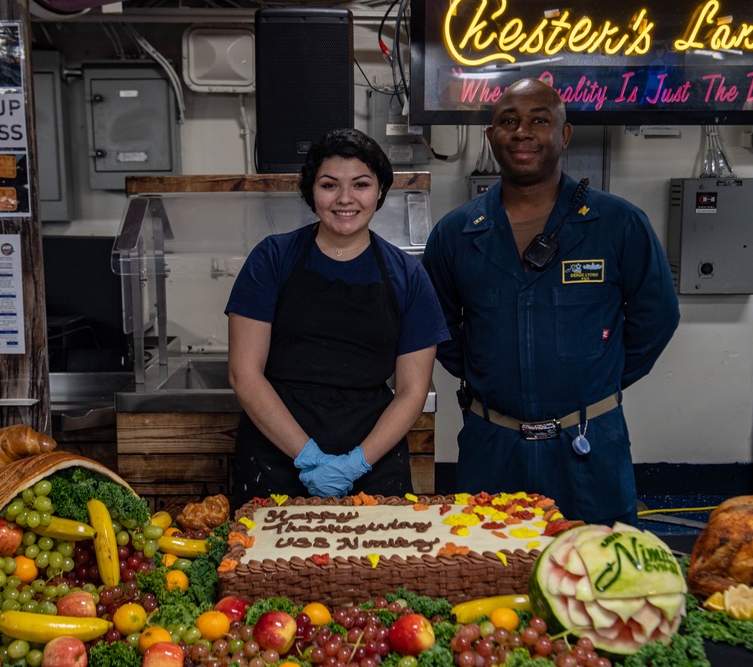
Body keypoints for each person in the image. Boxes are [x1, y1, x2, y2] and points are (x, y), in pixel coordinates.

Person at [421, 78, 679, 526]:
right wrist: (490, 369)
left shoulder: (618, 224)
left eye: (539, 120)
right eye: (508, 121)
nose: (522, 132)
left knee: (599, 579)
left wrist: (596, 377)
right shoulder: (456, 232)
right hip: (492, 447)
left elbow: (655, 318)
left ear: (563, 135)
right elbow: (437, 325)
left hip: (588, 446)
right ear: (491, 137)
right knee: (486, 572)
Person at [226, 128, 449, 504]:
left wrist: (356, 463)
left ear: (379, 191)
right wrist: (307, 456)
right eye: (329, 185)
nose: (345, 199)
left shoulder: (408, 276)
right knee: (268, 564)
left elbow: (412, 391)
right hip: (275, 455)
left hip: (373, 458)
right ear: (311, 192)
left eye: (361, 184)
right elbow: (243, 374)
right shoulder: (272, 259)